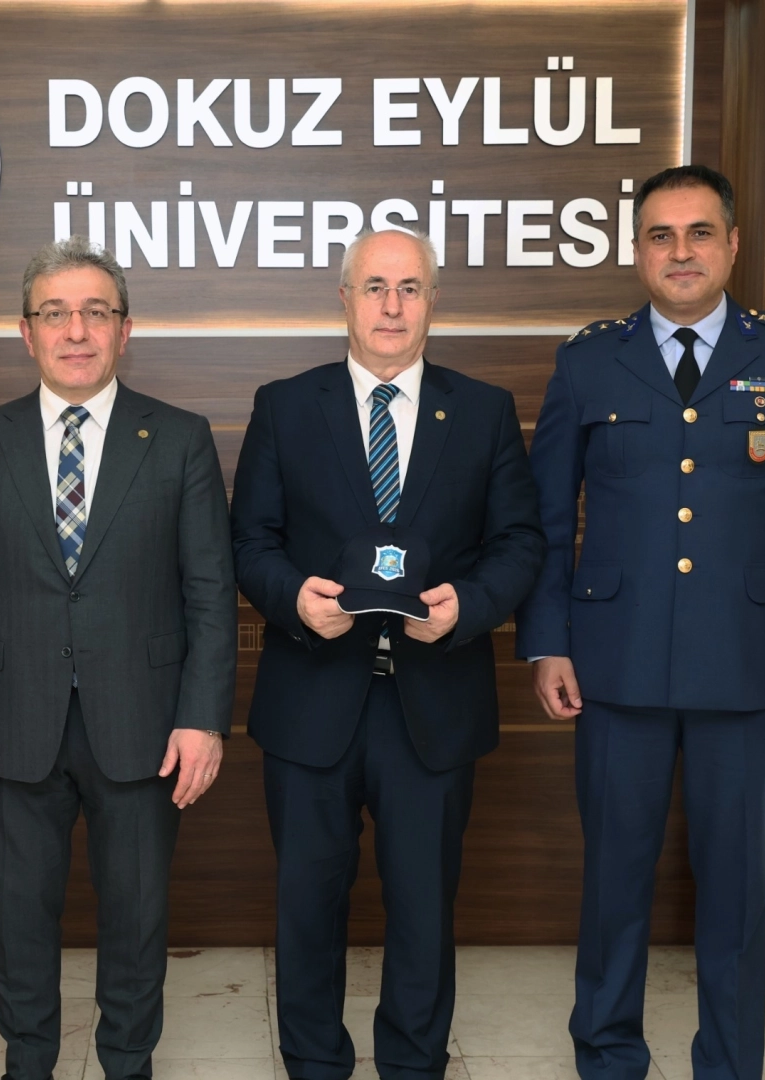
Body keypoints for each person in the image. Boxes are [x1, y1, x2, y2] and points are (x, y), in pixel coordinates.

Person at [515, 165, 765, 1080]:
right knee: (613, 884)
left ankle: (729, 1065)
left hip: (746, 668)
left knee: (737, 893)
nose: (680, 251)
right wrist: (547, 641)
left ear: (731, 245)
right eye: (660, 235)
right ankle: (606, 1057)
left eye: (698, 232)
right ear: (637, 251)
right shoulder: (588, 360)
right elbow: (545, 519)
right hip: (613, 664)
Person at [230, 229, 545, 1080]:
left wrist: (468, 607)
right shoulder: (284, 406)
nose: (392, 306)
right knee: (306, 906)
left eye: (409, 288)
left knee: (422, 910)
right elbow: (249, 540)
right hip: (311, 700)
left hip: (432, 706)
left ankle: (412, 1065)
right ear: (344, 299)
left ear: (433, 301)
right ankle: (312, 1063)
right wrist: (293, 600)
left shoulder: (481, 410)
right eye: (374, 286)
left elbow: (519, 543)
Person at [0, 237, 238, 1080]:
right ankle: (28, 1062)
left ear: (124, 330)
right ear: (25, 331)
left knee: (136, 917)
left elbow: (211, 594)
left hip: (144, 723)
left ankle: (127, 1062)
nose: (75, 331)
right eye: (55, 313)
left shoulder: (178, 438)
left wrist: (203, 719)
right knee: (19, 916)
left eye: (95, 312)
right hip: (8, 724)